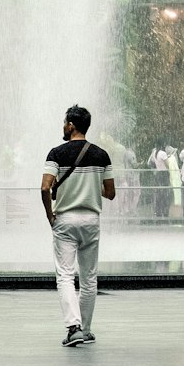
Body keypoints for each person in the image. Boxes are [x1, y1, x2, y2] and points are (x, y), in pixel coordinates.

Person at [41, 104, 115, 347]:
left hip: (65, 220)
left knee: (64, 275)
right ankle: (86, 329)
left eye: (65, 122)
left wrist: (50, 215)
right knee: (89, 277)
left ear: (71, 125)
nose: (63, 126)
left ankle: (73, 328)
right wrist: (89, 187)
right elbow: (110, 193)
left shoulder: (56, 154)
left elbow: (45, 186)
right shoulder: (102, 155)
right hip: (91, 220)